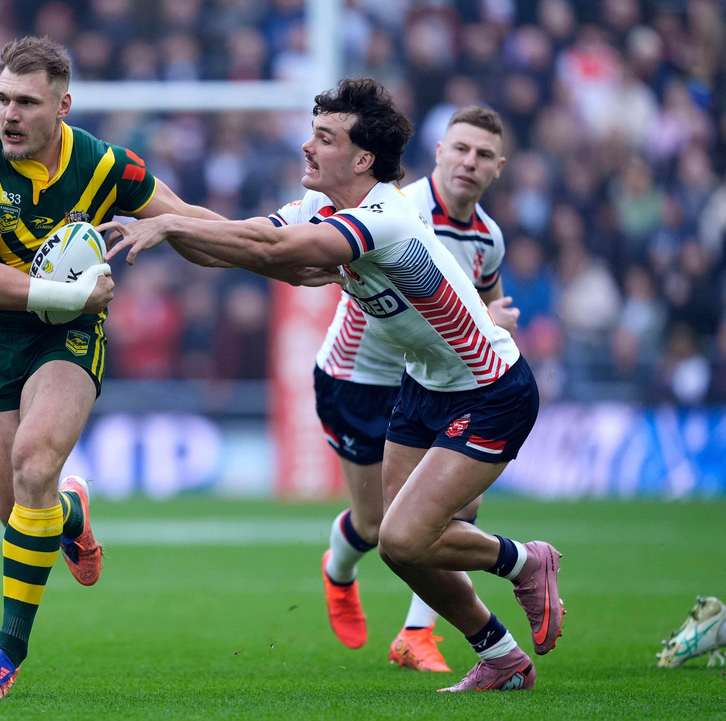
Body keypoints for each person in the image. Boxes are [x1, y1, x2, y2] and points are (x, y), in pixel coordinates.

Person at [101, 78, 563, 692]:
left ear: (363, 159)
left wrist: (172, 227)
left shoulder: (386, 216)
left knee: (404, 536)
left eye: (323, 137)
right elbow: (236, 246)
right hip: (424, 386)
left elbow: (265, 247)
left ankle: (527, 560)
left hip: (490, 390)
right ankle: (501, 655)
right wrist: (161, 215)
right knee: (397, 544)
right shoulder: (320, 208)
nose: (306, 146)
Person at [0, 35, 225, 699]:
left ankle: (6, 654)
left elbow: (186, 223)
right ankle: (72, 512)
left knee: (35, 461)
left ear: (63, 105)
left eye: (28, 102)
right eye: (3, 99)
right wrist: (68, 291)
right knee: (21, 512)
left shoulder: (105, 167)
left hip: (64, 337)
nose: (10, 114)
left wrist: (276, 247)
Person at [314, 105, 519, 672]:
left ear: (497, 167)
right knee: (380, 526)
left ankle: (415, 632)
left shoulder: (488, 239)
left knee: (452, 505)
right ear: (438, 153)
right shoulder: (398, 207)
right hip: (360, 377)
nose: (468, 162)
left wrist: (495, 319)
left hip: (433, 380)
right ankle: (338, 568)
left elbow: (484, 304)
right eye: (460, 148)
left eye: (482, 154)